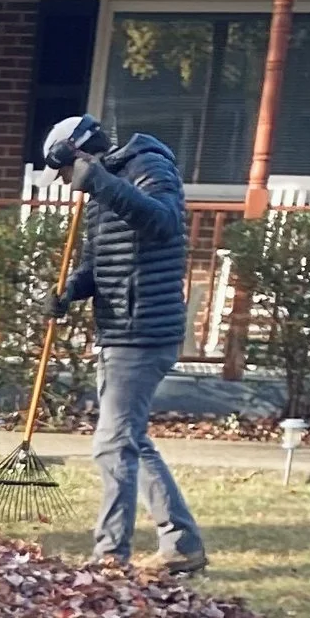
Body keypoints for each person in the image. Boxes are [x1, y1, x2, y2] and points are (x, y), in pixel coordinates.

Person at [42, 113, 207, 573]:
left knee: (112, 444)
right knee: (130, 439)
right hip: (117, 329)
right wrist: (70, 290)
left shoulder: (149, 166)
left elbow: (164, 223)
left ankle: (110, 557)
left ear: (78, 152)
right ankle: (184, 544)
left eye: (62, 170)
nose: (63, 180)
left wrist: (99, 182)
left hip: (145, 329)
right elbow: (97, 264)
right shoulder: (102, 189)